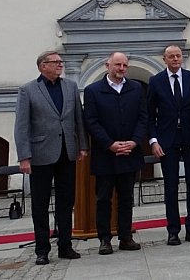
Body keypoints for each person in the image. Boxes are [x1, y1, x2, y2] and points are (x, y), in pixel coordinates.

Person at [14, 51, 88, 265]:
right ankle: (42, 249)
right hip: (40, 155)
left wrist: (82, 145)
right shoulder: (28, 90)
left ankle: (65, 245)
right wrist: (24, 157)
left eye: (60, 62)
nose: (60, 65)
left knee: (66, 202)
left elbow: (78, 119)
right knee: (40, 204)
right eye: (55, 62)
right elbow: (22, 126)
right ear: (42, 66)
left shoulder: (70, 87)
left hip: (67, 152)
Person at [83, 52, 147, 255]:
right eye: (117, 65)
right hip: (105, 155)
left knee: (126, 198)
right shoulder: (93, 90)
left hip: (130, 153)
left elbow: (143, 118)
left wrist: (135, 142)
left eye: (125, 65)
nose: (121, 68)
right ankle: (104, 238)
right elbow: (91, 121)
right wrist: (110, 144)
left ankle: (126, 236)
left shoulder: (136, 88)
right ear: (107, 65)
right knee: (103, 199)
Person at [146, 45, 190, 245]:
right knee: (171, 186)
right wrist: (153, 140)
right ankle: (173, 230)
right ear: (164, 59)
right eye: (171, 56)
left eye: (178, 56)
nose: (175, 59)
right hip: (167, 140)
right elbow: (149, 114)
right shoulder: (155, 82)